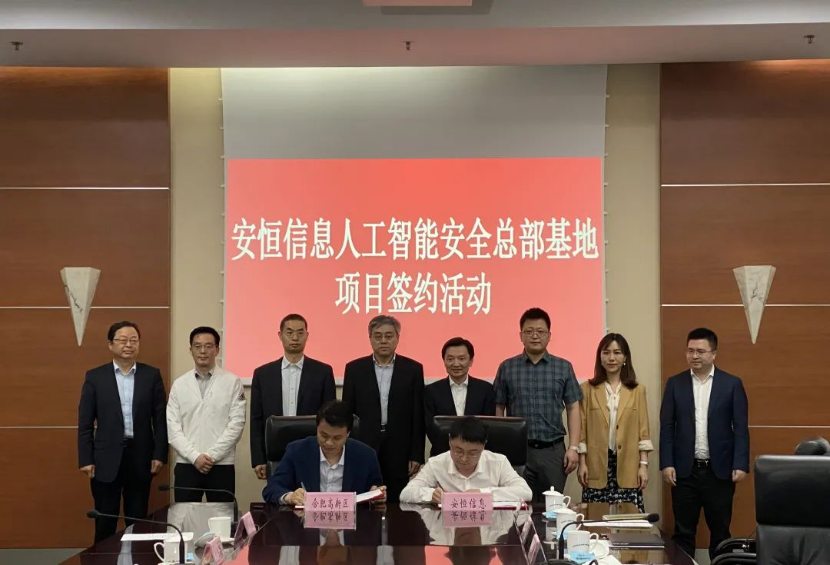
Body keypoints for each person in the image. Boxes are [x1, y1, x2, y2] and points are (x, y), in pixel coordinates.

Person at [660, 328, 750, 560]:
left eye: (700, 351)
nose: (694, 356)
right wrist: (667, 463)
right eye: (690, 351)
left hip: (719, 472)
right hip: (684, 472)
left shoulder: (731, 384)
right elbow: (667, 426)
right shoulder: (675, 383)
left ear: (713, 353)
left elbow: (741, 428)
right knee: (683, 533)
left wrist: (740, 463)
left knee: (720, 533)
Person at [77, 321, 168, 542]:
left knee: (137, 519)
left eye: (133, 340)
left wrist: (159, 454)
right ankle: (102, 558)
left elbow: (160, 419)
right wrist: (86, 459)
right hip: (105, 459)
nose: (129, 345)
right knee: (105, 519)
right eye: (123, 340)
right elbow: (85, 422)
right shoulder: (95, 377)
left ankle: (137, 557)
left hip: (140, 457)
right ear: (110, 344)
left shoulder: (151, 375)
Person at [493, 307, 582, 500]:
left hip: (553, 451)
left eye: (540, 331)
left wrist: (573, 447)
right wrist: (501, 447)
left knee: (552, 508)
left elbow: (573, 407)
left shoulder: (563, 367)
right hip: (517, 452)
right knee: (517, 506)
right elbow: (499, 407)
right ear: (521, 335)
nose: (535, 336)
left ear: (549, 335)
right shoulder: (507, 367)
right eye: (529, 331)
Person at [342, 315, 425, 503]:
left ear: (397, 338)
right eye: (378, 336)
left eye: (389, 336)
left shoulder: (413, 369)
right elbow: (348, 413)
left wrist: (416, 454)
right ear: (370, 338)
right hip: (364, 443)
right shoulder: (354, 369)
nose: (383, 341)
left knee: (397, 501)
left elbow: (417, 415)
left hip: (399, 445)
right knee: (363, 497)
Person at [250, 313, 336, 480]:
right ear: (280, 335)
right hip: (275, 450)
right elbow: (256, 420)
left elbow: (329, 417)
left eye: (300, 333)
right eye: (289, 333)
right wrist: (258, 459)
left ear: (307, 335)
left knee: (310, 494)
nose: (295, 338)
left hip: (313, 449)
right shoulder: (263, 374)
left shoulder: (323, 372)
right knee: (278, 494)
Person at [166, 326, 246, 501]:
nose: (203, 351)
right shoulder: (179, 384)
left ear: (217, 350)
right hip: (187, 463)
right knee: (185, 515)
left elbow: (236, 424)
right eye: (197, 346)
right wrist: (195, 457)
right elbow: (173, 428)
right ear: (191, 350)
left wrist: (211, 456)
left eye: (209, 346)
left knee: (222, 515)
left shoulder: (232, 382)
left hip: (221, 464)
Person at [577, 333, 653, 511]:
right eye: (606, 353)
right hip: (596, 465)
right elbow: (582, 431)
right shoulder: (586, 389)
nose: (611, 358)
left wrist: (643, 466)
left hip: (628, 465)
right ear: (600, 357)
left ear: (625, 357)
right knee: (596, 519)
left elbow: (643, 432)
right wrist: (582, 463)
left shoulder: (637, 390)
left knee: (628, 521)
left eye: (617, 353)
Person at [262, 400, 386, 504]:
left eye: (337, 438)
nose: (329, 443)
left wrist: (377, 496)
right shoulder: (297, 451)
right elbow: (272, 488)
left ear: (348, 434)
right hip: (304, 523)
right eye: (324, 435)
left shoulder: (366, 456)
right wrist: (290, 497)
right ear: (317, 428)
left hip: (351, 523)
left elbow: (376, 491)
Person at [399, 416, 532, 504]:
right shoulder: (436, 463)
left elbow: (525, 492)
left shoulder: (499, 462)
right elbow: (406, 494)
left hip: (488, 528)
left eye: (472, 453)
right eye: (458, 451)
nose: (464, 458)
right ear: (449, 440)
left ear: (483, 446)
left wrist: (483, 494)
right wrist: (431, 495)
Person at [424, 337, 496, 457]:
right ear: (444, 361)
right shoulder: (431, 391)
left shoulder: (486, 389)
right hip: (442, 455)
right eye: (450, 359)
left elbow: (488, 425)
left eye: (461, 359)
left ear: (471, 361)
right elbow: (430, 428)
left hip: (477, 455)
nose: (456, 364)